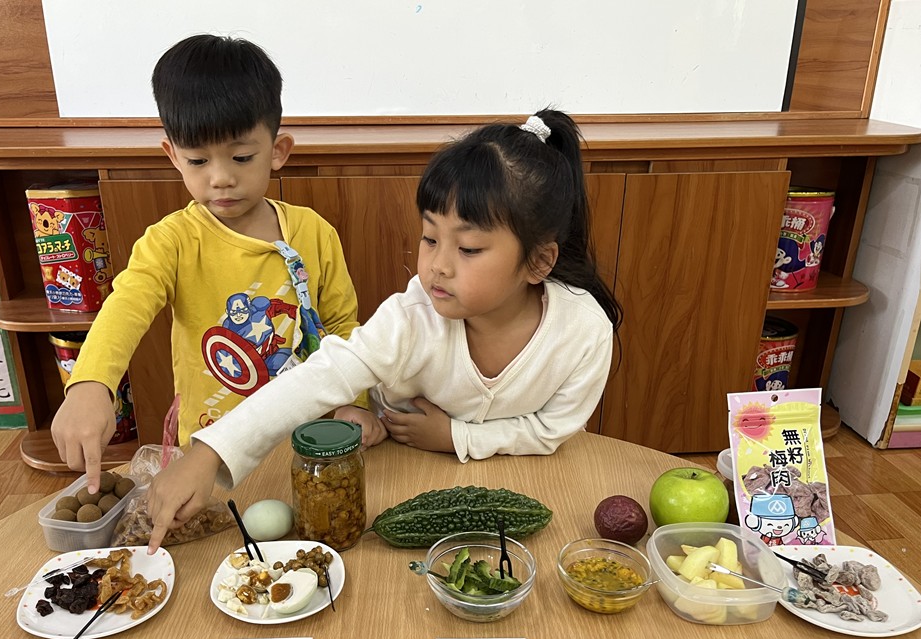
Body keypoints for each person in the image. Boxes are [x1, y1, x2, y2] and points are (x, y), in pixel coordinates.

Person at [145, 108, 622, 552]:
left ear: (538, 261)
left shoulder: (583, 333)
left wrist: (456, 437)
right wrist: (209, 453)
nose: (437, 266)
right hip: (392, 463)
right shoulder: (413, 318)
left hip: (523, 479)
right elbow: (322, 374)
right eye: (430, 238)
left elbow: (551, 431)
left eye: (469, 249)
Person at [51, 35, 370, 493]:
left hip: (310, 445)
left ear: (278, 150)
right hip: (210, 454)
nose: (221, 177)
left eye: (241, 157)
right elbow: (127, 305)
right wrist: (90, 383)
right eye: (198, 160)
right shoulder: (171, 241)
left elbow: (341, 326)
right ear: (173, 156)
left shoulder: (314, 232)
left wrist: (355, 403)